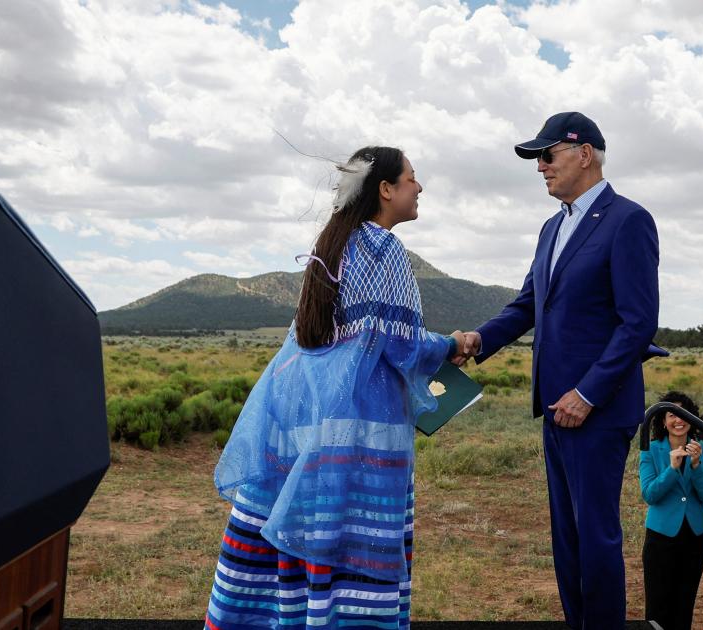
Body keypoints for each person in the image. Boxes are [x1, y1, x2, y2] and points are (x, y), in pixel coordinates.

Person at [204, 147, 466, 629]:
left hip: (303, 413)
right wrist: (452, 344)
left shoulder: (333, 244)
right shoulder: (383, 249)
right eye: (412, 178)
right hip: (356, 425)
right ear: (385, 189)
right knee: (346, 540)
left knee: (303, 530)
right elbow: (398, 342)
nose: (419, 187)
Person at [458, 112, 659, 630]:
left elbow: (638, 324)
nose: (540, 167)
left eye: (548, 155)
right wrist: (480, 340)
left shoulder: (628, 220)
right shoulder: (553, 227)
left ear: (584, 153)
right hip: (554, 407)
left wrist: (588, 393)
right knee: (566, 536)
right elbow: (529, 304)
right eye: (537, 158)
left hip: (596, 410)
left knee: (595, 535)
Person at [639, 391, 703, 630]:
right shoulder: (650, 450)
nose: (678, 420)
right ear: (663, 420)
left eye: (683, 414)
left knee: (685, 602)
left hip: (695, 536)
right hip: (661, 536)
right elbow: (650, 494)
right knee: (658, 604)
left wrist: (695, 465)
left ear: (691, 418)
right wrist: (672, 469)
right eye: (672, 415)